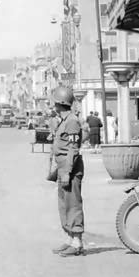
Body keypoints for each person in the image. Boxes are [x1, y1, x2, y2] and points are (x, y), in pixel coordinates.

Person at [46, 86, 85, 257]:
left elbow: (73, 149)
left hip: (71, 169)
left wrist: (67, 172)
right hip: (63, 168)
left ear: (60, 103)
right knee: (64, 205)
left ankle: (77, 243)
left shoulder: (72, 122)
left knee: (73, 204)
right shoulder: (64, 120)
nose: (53, 105)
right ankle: (70, 238)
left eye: (55, 102)